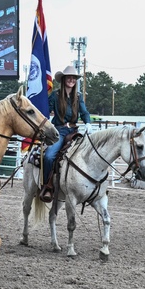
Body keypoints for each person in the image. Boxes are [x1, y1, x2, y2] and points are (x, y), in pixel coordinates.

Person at [39, 64, 92, 202]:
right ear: (64, 79)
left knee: (90, 153)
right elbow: (46, 111)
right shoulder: (55, 96)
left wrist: (88, 123)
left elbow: (84, 111)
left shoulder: (78, 96)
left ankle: (90, 185)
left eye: (74, 78)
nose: (71, 80)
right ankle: (47, 186)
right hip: (60, 131)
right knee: (50, 156)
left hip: (74, 131)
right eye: (69, 78)